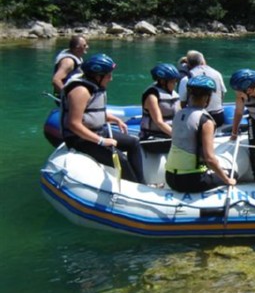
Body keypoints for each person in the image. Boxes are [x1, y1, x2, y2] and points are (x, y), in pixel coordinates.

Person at [61, 53, 145, 184]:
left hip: (97, 132)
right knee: (120, 158)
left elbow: (94, 113)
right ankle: (134, 186)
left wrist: (116, 120)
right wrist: (101, 141)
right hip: (80, 139)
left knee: (133, 143)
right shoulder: (80, 91)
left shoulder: (95, 87)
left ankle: (141, 183)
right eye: (108, 75)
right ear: (97, 76)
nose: (111, 79)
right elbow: (73, 124)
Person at [165, 76, 236, 192]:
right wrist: (227, 180)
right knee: (233, 174)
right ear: (207, 98)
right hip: (192, 180)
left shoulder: (179, 114)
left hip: (170, 177)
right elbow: (210, 159)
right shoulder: (206, 121)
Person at [139, 63, 181, 153]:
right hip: (153, 138)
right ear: (163, 82)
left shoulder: (173, 94)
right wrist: (178, 137)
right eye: (173, 81)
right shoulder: (152, 96)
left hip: (169, 135)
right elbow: (159, 122)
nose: (175, 83)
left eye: (176, 81)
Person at [178, 50, 227, 127]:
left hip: (196, 118)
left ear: (188, 65)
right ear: (203, 61)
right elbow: (222, 94)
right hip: (218, 117)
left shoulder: (186, 78)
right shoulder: (217, 74)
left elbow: (182, 103)